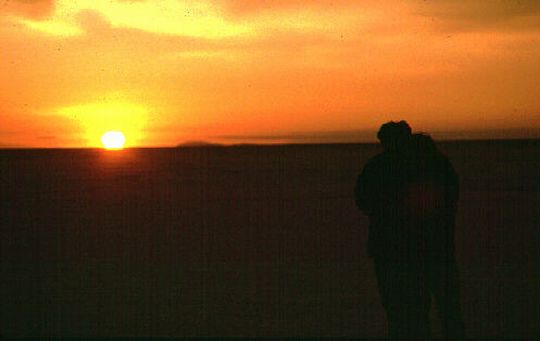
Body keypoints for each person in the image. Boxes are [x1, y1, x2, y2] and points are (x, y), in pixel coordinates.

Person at [355, 123, 464, 340]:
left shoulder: (386, 166)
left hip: (402, 250)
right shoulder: (432, 164)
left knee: (408, 309)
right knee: (438, 308)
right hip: (427, 247)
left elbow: (364, 200)